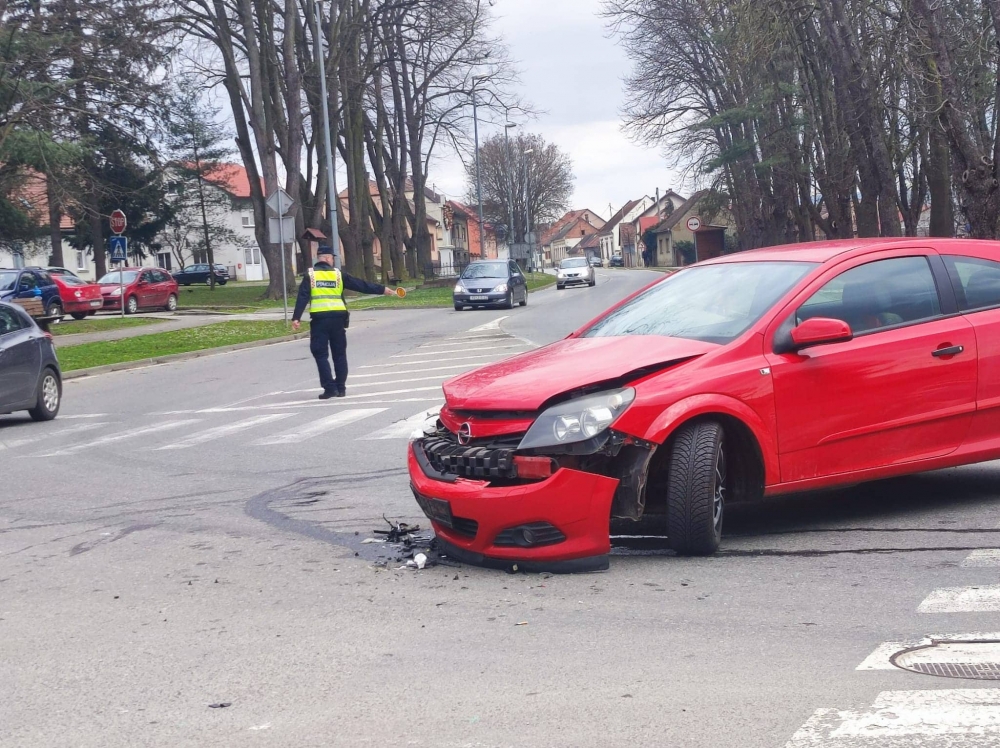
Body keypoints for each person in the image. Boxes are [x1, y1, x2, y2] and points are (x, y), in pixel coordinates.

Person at [291, 247, 398, 399]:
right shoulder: (338, 275)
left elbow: (302, 296)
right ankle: (341, 388)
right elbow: (360, 285)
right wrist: (382, 289)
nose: (333, 260)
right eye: (332, 258)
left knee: (320, 353)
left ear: (319, 258)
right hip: (338, 320)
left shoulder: (311, 275)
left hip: (320, 320)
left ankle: (329, 388)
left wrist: (296, 318)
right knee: (339, 354)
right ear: (328, 259)